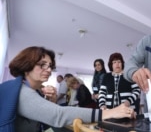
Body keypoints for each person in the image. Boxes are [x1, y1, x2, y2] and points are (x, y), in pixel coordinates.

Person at [0, 46, 135, 132]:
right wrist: (107, 113)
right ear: (26, 66)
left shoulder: (30, 91)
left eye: (50, 66)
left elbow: (44, 119)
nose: (48, 70)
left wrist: (51, 103)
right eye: (42, 65)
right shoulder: (22, 93)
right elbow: (57, 115)